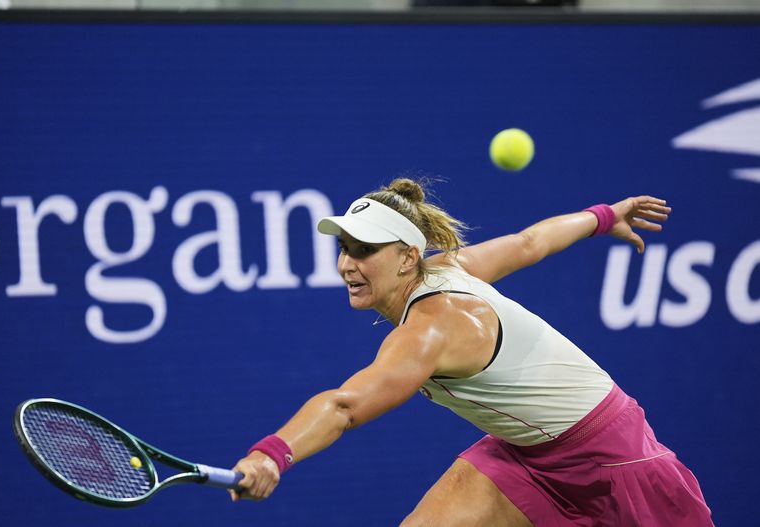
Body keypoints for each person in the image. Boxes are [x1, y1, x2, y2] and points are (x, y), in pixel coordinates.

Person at [229, 177, 713, 526]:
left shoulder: (430, 330)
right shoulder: (448, 269)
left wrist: (272, 456)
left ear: (406, 258)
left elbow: (344, 406)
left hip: (614, 461)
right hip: (527, 457)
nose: (347, 265)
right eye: (344, 248)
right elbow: (530, 243)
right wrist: (603, 217)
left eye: (364, 251)